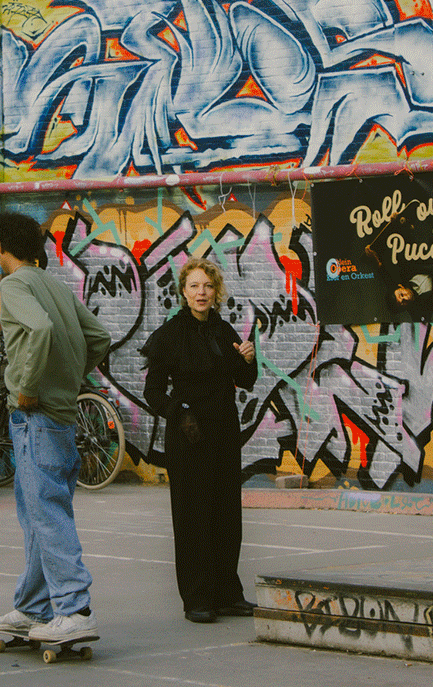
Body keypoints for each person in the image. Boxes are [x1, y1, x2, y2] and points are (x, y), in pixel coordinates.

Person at [0, 212, 111, 643]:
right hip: (59, 415)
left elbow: (39, 328)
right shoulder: (55, 284)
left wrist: (30, 387)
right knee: (38, 510)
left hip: (35, 416)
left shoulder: (14, 285)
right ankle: (32, 607)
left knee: (47, 512)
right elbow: (99, 338)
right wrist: (68, 378)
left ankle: (75, 608)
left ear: (2, 246)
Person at [142, 257, 258, 623]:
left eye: (207, 286)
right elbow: (153, 391)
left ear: (216, 291)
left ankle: (226, 593)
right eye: (194, 286)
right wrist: (179, 412)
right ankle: (196, 598)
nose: (201, 292)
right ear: (183, 292)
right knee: (193, 516)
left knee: (226, 514)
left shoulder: (224, 332)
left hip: (224, 432)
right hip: (188, 434)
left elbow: (246, 380)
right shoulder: (170, 335)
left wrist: (249, 359)